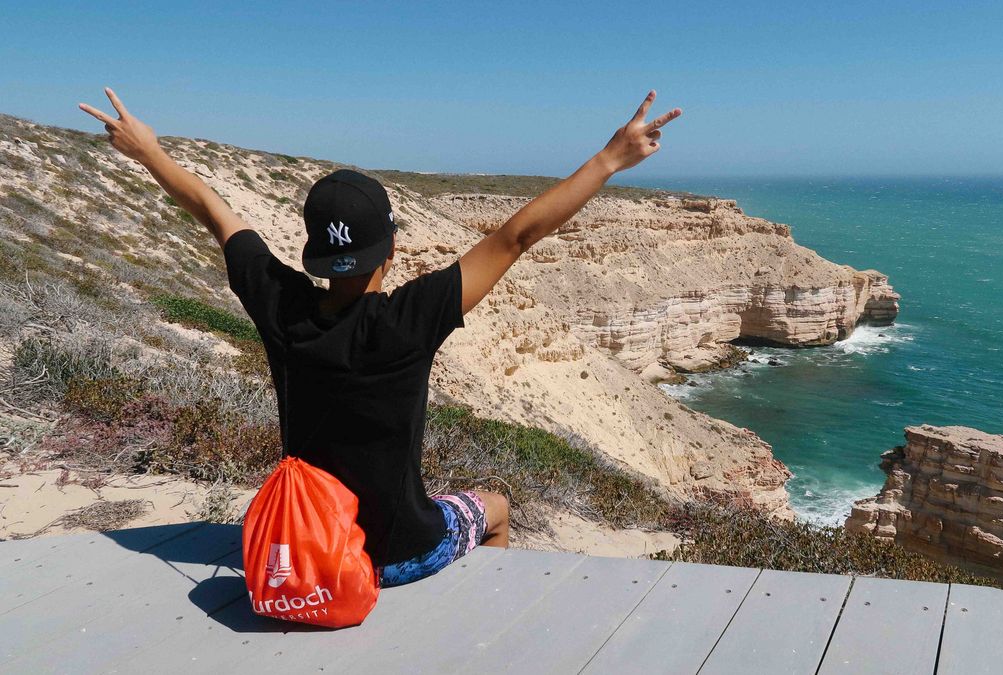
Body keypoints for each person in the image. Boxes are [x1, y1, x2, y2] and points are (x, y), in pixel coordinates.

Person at [79, 87, 681, 586]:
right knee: (494, 507)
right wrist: (609, 159)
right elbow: (515, 237)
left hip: (313, 552)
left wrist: (147, 152)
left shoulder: (281, 307)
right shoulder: (407, 321)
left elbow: (215, 211)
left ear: (314, 255)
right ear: (390, 249)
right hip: (398, 557)